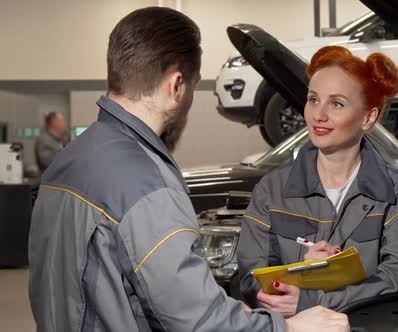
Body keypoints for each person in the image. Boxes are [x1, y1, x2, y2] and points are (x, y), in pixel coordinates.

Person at [28, 7, 349, 332]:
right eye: (194, 85)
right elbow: (197, 322)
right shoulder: (146, 184)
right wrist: (291, 328)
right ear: (176, 85)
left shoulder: (68, 160)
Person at [237, 46, 398, 315]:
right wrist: (301, 271)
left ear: (368, 117)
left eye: (336, 103)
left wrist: (315, 300)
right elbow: (249, 277)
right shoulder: (271, 190)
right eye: (313, 99)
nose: (318, 115)